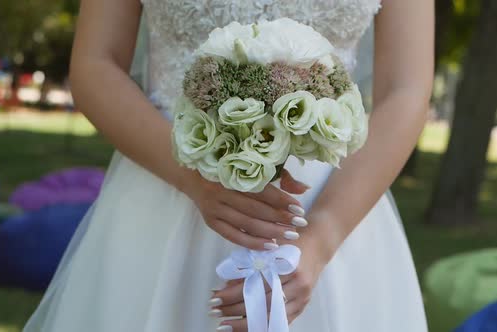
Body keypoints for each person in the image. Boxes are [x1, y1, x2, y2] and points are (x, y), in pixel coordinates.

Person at [24, 0, 434, 331]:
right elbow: (96, 63)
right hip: (164, 194)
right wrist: (193, 178)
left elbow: (406, 90)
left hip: (332, 209)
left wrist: (320, 241)